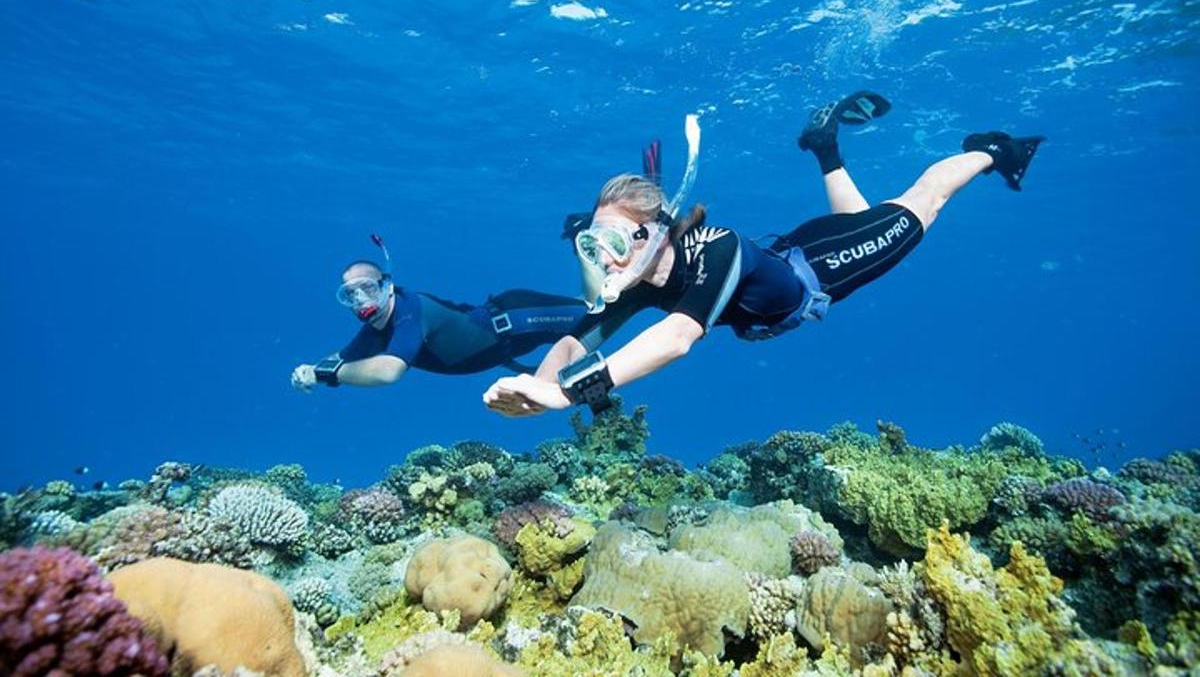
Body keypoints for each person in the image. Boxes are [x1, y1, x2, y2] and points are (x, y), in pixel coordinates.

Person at [483, 91, 1044, 417]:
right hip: (796, 248)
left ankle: (991, 150)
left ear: (652, 234)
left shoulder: (715, 249)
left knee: (922, 203)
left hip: (822, 269)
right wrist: (539, 382)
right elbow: (572, 339)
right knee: (860, 217)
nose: (599, 260)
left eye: (609, 243)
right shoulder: (633, 282)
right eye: (590, 244)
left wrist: (568, 395)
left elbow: (678, 339)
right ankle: (825, 146)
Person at [292, 144, 664, 392]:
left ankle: (627, 224)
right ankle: (592, 240)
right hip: (510, 327)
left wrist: (333, 374)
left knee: (598, 307)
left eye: (367, 288)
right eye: (349, 294)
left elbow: (388, 371)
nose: (360, 299)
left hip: (516, 318)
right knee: (591, 305)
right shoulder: (376, 329)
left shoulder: (408, 311)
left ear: (387, 285)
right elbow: (343, 358)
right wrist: (312, 371)